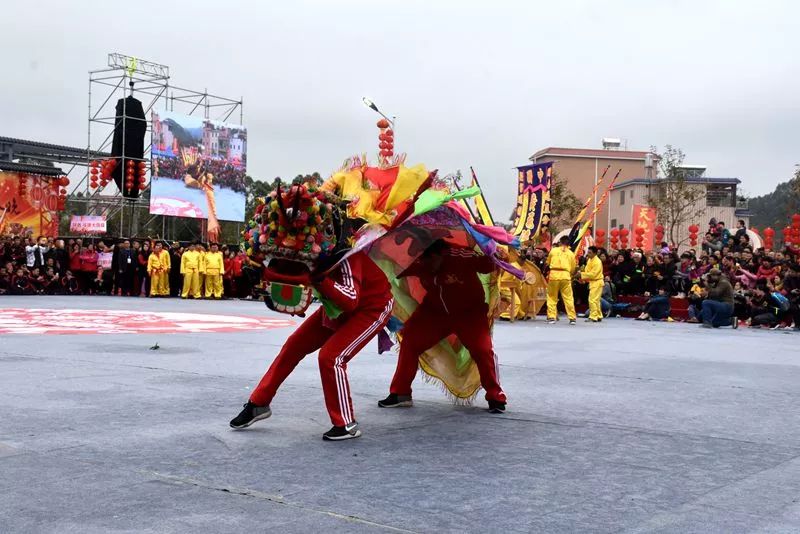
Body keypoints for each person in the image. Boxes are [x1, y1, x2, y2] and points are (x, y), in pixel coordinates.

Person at [230, 251, 394, 441]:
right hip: (335, 308)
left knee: (332, 357)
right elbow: (298, 285)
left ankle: (346, 424)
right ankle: (258, 403)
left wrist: (319, 279)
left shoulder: (348, 255)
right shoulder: (305, 252)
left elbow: (350, 299)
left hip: (371, 307)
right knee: (294, 345)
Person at [378, 241, 507, 413]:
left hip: (470, 314)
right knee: (410, 341)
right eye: (423, 261)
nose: (427, 266)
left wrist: (497, 255)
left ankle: (495, 396)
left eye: (431, 261)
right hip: (435, 313)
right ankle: (400, 393)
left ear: (442, 253)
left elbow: (487, 265)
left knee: (483, 350)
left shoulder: (462, 255)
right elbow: (391, 270)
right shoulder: (418, 261)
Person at [545, 235, 577, 324]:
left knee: (552, 297)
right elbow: (573, 267)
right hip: (565, 276)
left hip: (554, 275)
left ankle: (551, 317)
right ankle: (572, 318)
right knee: (568, 298)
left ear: (560, 242)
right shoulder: (571, 253)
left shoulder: (553, 250)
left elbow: (548, 262)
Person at [579, 246, 604, 322]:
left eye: (590, 253)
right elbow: (588, 271)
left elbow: (593, 274)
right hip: (593, 282)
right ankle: (598, 315)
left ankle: (593, 317)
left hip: (597, 281)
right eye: (588, 252)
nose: (588, 254)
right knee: (596, 300)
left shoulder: (597, 262)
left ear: (595, 253)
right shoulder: (590, 260)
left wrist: (581, 275)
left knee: (592, 299)